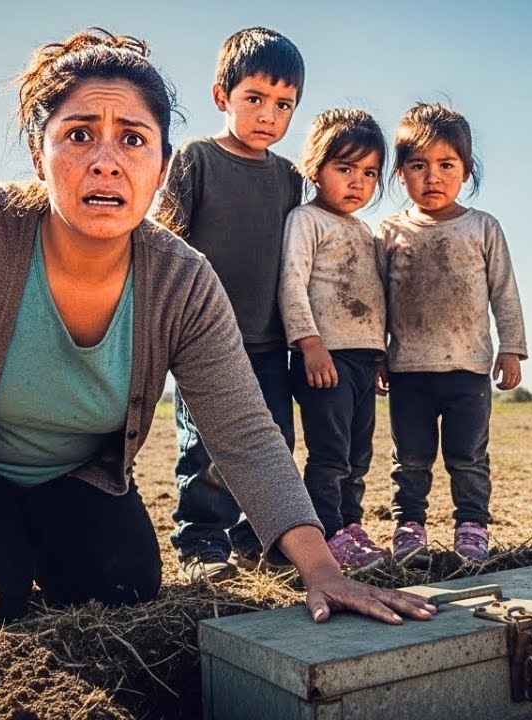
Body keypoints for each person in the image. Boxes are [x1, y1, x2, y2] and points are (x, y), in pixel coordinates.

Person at [0, 28, 435, 629]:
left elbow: (242, 429)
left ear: (161, 166)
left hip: (70, 473)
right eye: (78, 135)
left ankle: (17, 534)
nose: (106, 161)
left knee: (122, 585)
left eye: (133, 139)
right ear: (39, 154)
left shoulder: (181, 279)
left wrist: (322, 571)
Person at [155, 27, 305, 582]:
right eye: (255, 98)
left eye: (284, 104)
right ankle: (200, 544)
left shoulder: (289, 178)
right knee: (207, 448)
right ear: (222, 96)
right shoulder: (196, 159)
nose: (269, 115)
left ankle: (255, 538)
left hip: (268, 339)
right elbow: (165, 239)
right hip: (202, 341)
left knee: (275, 440)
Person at [375, 103, 527, 566]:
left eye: (446, 165)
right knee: (410, 458)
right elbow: (376, 299)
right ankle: (409, 528)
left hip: (469, 368)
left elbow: (504, 291)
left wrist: (512, 348)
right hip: (409, 370)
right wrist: (377, 354)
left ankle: (472, 527)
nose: (432, 177)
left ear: (466, 170)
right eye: (418, 166)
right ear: (400, 173)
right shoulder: (390, 232)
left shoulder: (482, 228)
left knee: (469, 457)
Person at [279, 109, 389, 573]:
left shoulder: (364, 231)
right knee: (330, 454)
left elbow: (375, 296)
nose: (357, 182)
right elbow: (292, 282)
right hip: (326, 359)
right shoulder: (307, 220)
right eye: (345, 168)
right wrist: (309, 343)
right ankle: (328, 533)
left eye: (370, 173)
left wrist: (381, 355)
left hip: (364, 359)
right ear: (315, 168)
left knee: (358, 454)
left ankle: (351, 525)